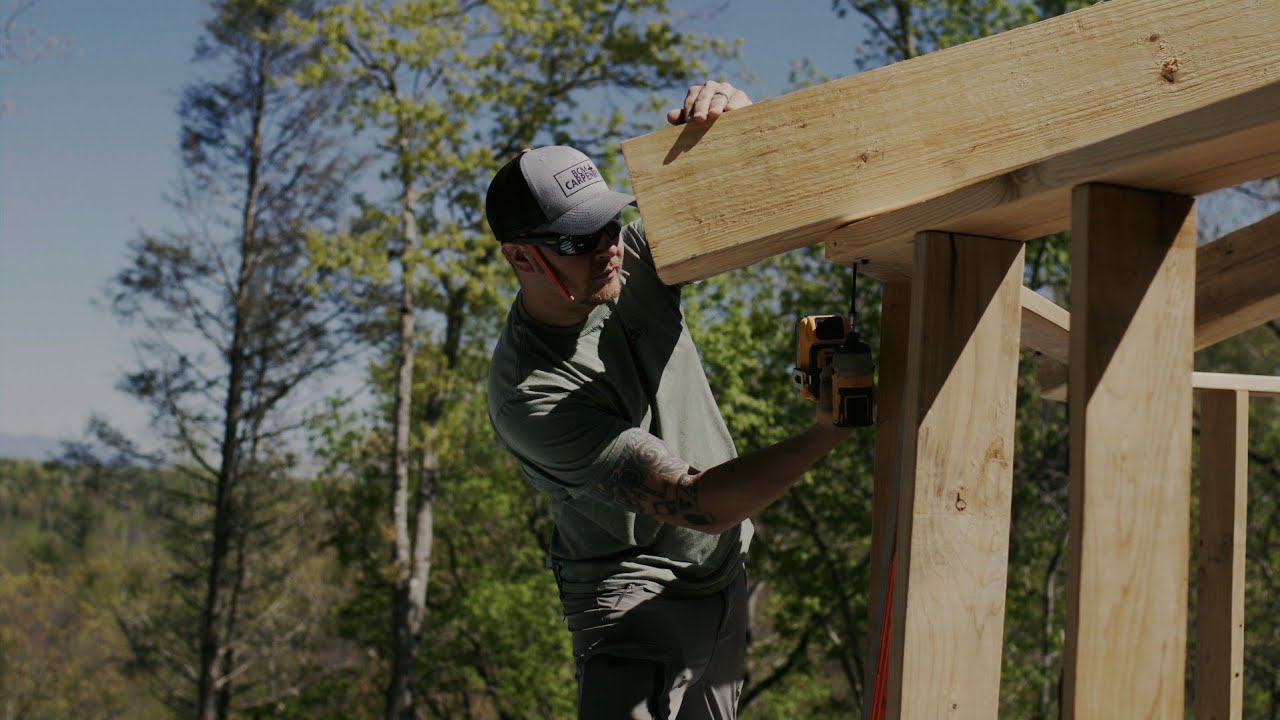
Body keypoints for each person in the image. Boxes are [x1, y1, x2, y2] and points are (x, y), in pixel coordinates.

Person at [485, 81, 854, 720]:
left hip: (721, 573)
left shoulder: (632, 261)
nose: (607, 247)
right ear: (520, 255)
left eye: (607, 223)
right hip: (630, 597)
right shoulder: (532, 393)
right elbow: (695, 503)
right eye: (577, 240)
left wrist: (742, 123)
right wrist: (826, 430)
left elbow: (770, 192)